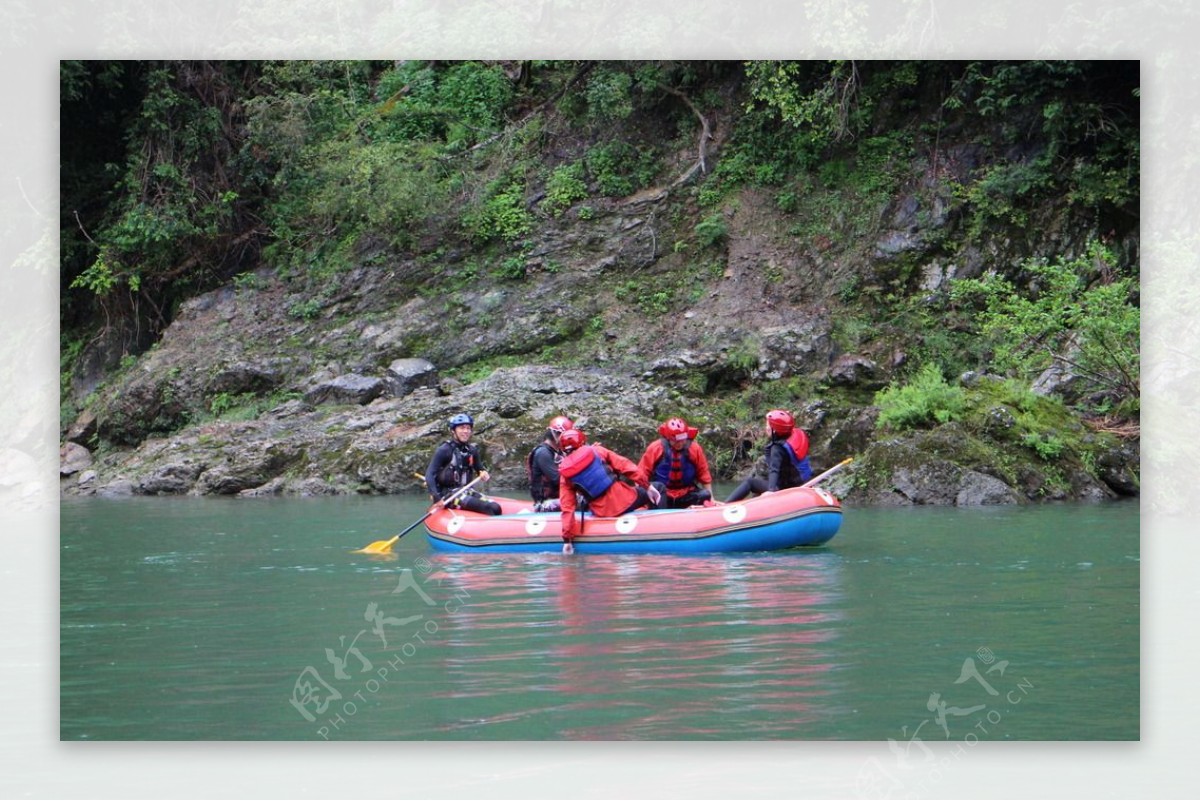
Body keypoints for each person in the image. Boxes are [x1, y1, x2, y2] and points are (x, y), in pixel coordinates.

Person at [557, 428, 659, 541]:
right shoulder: (597, 451)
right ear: (582, 442)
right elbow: (626, 466)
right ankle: (657, 525)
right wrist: (647, 486)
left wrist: (567, 539)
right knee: (659, 487)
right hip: (625, 501)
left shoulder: (565, 475)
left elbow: (567, 507)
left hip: (601, 512)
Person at [725, 409, 814, 502]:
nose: (766, 427)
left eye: (768, 425)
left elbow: (774, 470)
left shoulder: (777, 449)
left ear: (775, 430)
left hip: (787, 487)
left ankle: (725, 506)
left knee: (750, 482)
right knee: (760, 484)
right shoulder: (797, 434)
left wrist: (771, 491)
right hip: (802, 482)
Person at [425, 412, 502, 516]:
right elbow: (429, 474)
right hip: (449, 495)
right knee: (488, 508)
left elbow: (480, 469)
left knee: (496, 507)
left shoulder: (472, 450)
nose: (465, 431)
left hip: (466, 490)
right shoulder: (444, 450)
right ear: (453, 431)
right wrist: (436, 498)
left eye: (468, 428)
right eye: (461, 428)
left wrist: (484, 473)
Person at [638, 417, 714, 508]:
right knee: (654, 492)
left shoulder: (694, 449)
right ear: (668, 438)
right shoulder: (655, 448)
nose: (679, 444)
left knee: (705, 494)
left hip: (685, 493)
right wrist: (642, 499)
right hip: (662, 494)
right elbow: (640, 474)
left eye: (682, 440)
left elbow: (704, 474)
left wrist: (712, 498)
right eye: (675, 441)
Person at [527, 415, 574, 511]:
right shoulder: (543, 453)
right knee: (583, 500)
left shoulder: (558, 451)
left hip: (559, 497)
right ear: (556, 434)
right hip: (545, 503)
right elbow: (557, 479)